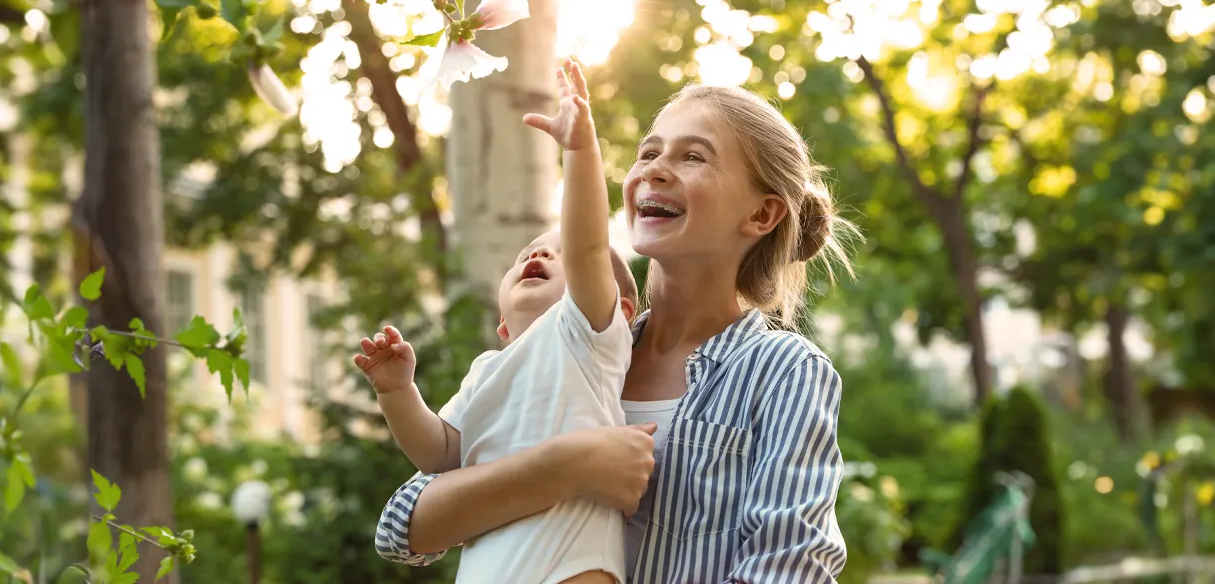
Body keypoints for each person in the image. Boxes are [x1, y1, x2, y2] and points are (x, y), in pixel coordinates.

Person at [375, 82, 856, 583]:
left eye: (693, 156)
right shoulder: (567, 348)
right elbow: (403, 527)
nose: (654, 169)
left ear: (761, 214)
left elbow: (788, 569)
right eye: (648, 152)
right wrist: (567, 465)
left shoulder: (783, 372)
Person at [353, 60, 639, 584]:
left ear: (618, 311)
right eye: (527, 253)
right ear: (503, 326)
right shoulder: (488, 369)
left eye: (559, 255)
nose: (540, 255)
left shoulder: (586, 337)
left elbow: (589, 241)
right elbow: (440, 455)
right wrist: (397, 393)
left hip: (569, 563)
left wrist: (579, 151)